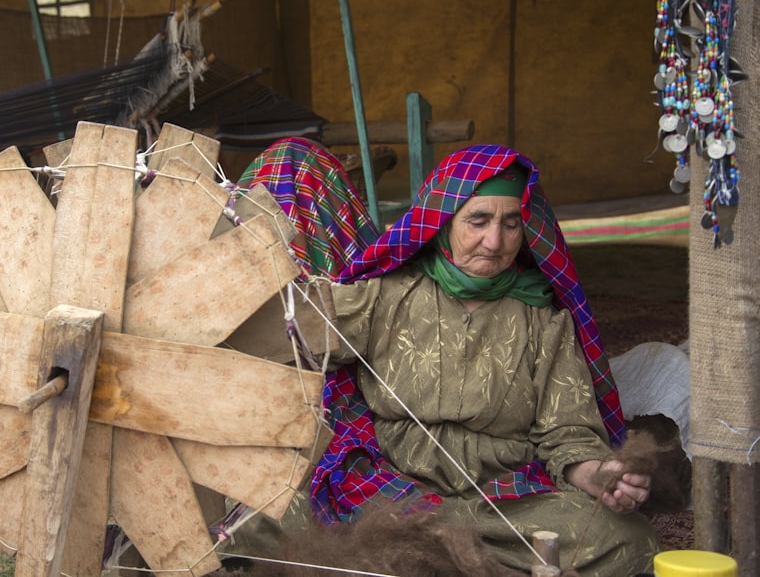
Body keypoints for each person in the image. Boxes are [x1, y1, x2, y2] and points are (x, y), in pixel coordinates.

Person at [238, 139, 659, 576]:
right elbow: (293, 329)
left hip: (501, 504)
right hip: (389, 490)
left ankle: (433, 559)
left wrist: (596, 473)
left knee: (629, 541)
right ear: (442, 223)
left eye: (511, 224)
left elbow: (567, 431)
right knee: (261, 510)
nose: (494, 241)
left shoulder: (544, 318)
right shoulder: (386, 294)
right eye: (477, 221)